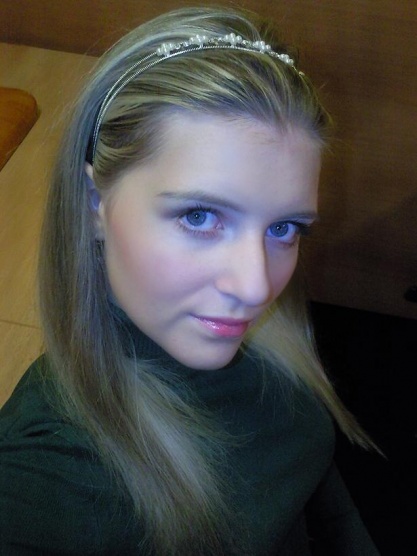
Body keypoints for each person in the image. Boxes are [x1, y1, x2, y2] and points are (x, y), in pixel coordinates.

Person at [0, 6, 380, 555]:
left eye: (284, 227)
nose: (256, 288)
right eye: (200, 217)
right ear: (93, 204)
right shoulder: (49, 483)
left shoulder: (268, 340)